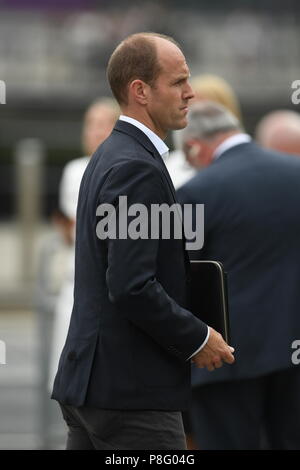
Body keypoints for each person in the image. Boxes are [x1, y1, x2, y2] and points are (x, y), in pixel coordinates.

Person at [51, 33, 235, 450]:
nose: (191, 93)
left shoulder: (110, 156)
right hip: (129, 396)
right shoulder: (137, 168)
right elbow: (131, 284)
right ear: (140, 91)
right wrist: (198, 337)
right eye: (178, 82)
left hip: (94, 386)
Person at [177, 101, 300, 450]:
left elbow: (179, 276)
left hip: (225, 361)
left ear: (195, 146)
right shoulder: (296, 172)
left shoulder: (196, 192)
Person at [48, 98, 119, 390]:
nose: (95, 132)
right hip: (78, 280)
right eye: (91, 124)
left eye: (103, 124)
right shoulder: (76, 170)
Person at [166, 74, 242, 189]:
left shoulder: (245, 159)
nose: (197, 119)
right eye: (191, 108)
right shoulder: (172, 165)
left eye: (207, 111)